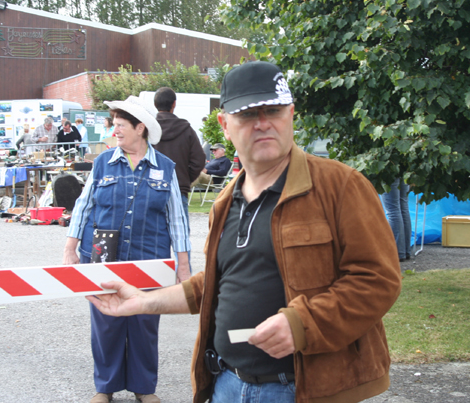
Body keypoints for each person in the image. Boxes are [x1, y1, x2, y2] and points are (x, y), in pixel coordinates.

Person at [87, 61, 402, 403]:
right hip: (226, 385)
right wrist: (144, 301)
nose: (263, 123)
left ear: (291, 114)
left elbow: (378, 280)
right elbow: (216, 284)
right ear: (225, 125)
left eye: (274, 110)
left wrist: (303, 324)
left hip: (302, 390)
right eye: (248, 114)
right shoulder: (224, 202)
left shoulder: (340, 186)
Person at [63, 95, 191, 403]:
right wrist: (70, 248)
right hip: (104, 256)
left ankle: (144, 388)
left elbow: (177, 219)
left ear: (140, 128)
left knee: (145, 322)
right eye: (114, 124)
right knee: (105, 323)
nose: (115, 131)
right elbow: (83, 206)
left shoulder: (166, 168)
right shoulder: (103, 162)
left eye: (121, 125)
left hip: (150, 257)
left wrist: (183, 266)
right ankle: (104, 387)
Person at [153, 87, 205, 225]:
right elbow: (199, 160)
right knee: (180, 235)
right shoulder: (186, 130)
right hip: (179, 189)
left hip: (152, 188)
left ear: (155, 104)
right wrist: (185, 178)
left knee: (153, 234)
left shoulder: (148, 129)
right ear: (174, 104)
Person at [383, 178, 412, 262]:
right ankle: (405, 251)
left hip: (389, 172)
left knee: (392, 210)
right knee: (403, 207)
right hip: (403, 170)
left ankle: (398, 252)